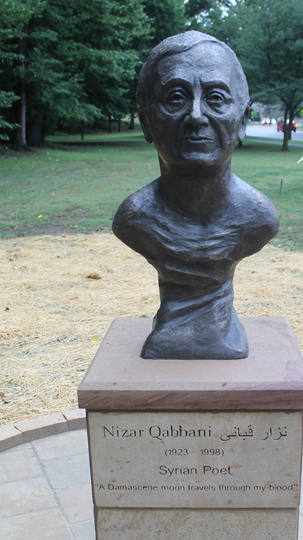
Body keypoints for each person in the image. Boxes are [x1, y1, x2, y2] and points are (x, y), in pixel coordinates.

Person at [113, 31, 279, 359]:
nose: (196, 116)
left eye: (216, 98)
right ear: (147, 121)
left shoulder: (259, 217)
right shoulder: (133, 218)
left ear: (243, 120)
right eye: (176, 97)